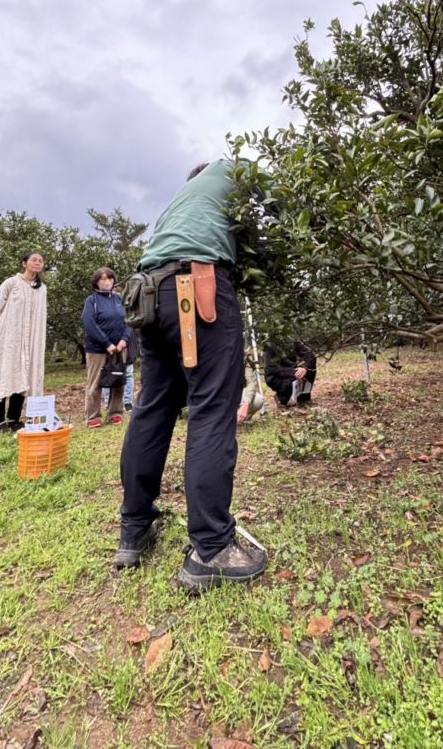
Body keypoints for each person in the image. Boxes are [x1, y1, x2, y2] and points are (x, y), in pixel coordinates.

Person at [116, 160, 268, 591]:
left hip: (150, 291)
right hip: (198, 284)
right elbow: (281, 200)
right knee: (212, 409)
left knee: (153, 408)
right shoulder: (230, 168)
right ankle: (212, 548)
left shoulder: (178, 206)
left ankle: (134, 530)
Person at [0, 252, 47, 432]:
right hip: (7, 339)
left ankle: (14, 419)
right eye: (34, 260)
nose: (37, 263)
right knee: (3, 375)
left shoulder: (41, 288)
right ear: (24, 263)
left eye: (40, 261)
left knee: (24, 377)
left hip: (29, 341)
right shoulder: (11, 283)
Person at [82, 268, 129, 428]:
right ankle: (93, 416)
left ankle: (115, 413)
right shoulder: (92, 301)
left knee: (118, 380)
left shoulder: (119, 299)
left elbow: (129, 320)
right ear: (96, 282)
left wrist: (124, 340)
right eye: (102, 279)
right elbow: (89, 323)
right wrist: (106, 343)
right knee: (95, 382)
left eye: (109, 279)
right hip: (97, 349)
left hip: (119, 348)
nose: (107, 282)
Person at [264, 338, 317, 407]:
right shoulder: (269, 345)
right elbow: (272, 368)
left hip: (291, 370)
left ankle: (304, 398)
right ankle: (282, 398)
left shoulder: (291, 340)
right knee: (294, 378)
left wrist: (305, 368)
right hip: (275, 376)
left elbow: (310, 355)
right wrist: (294, 372)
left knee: (310, 370)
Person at [236, 355, 265, 423]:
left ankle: (242, 417)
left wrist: (246, 403)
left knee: (258, 400)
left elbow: (251, 382)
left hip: (238, 392)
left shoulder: (244, 359)